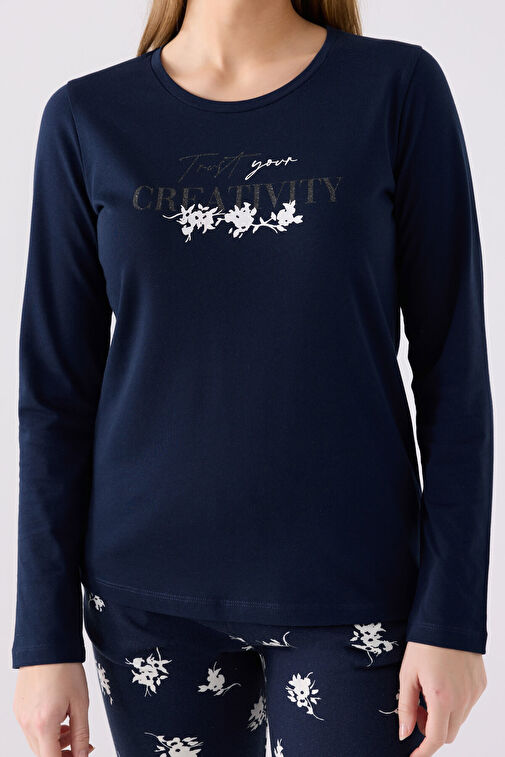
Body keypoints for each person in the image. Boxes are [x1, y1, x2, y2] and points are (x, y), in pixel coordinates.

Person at [12, 1, 493, 755]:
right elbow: (53, 397)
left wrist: (453, 621)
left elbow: (453, 374)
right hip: (146, 603)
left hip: (354, 592)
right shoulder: (87, 116)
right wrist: (42, 639)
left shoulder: (396, 90)